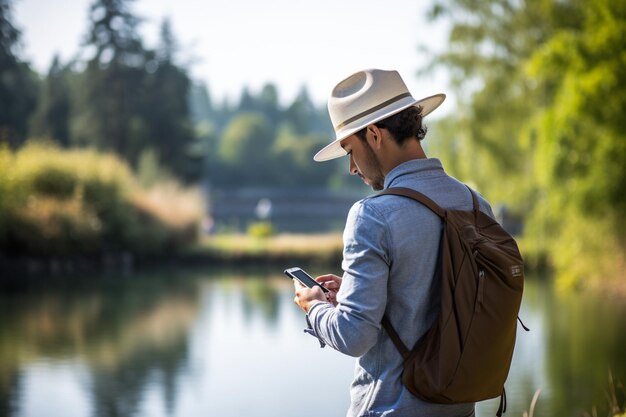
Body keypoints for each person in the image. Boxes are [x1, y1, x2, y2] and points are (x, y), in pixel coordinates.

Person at [292, 68, 495, 417]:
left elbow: (354, 336)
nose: (352, 168)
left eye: (349, 151)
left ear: (373, 135)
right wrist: (356, 294)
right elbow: (442, 302)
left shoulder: (372, 216)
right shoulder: (476, 205)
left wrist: (314, 307)